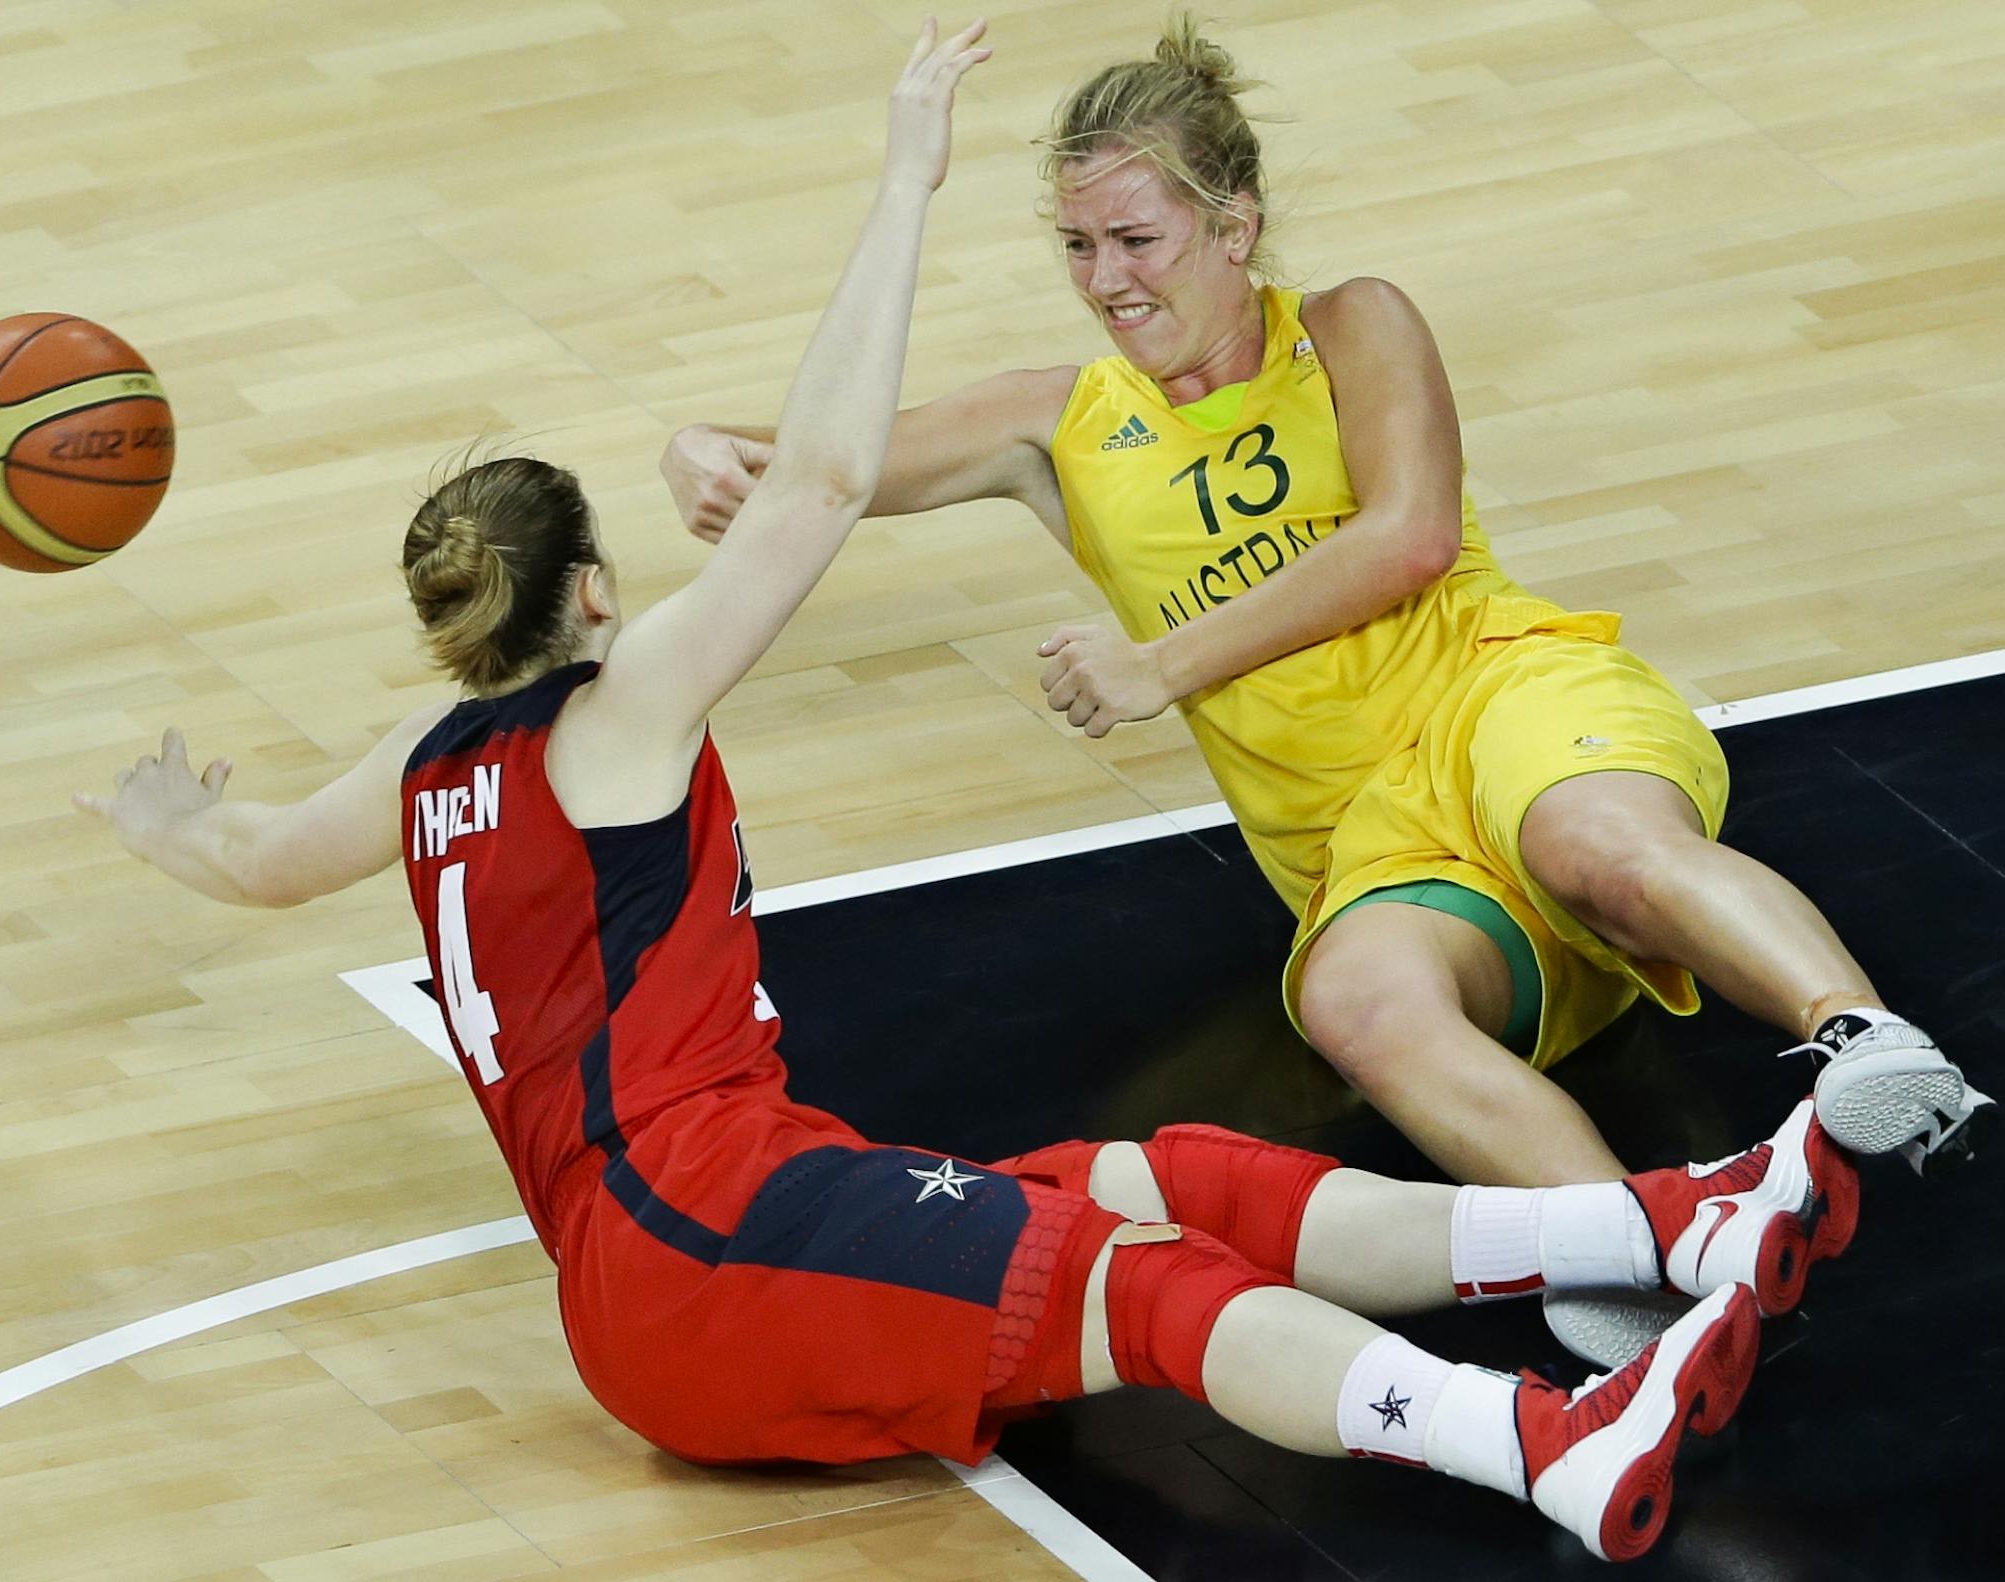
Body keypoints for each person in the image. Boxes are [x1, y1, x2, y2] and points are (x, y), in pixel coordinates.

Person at [76, 21, 1856, 1566]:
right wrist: (905, 177)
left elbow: (252, 858)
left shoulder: (423, 764)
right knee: (1147, 1293)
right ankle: (1546, 1440)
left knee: (1163, 1182)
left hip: (702, 1231)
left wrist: (163, 819)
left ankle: (1652, 1221)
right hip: (707, 1244)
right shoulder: (619, 716)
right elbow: (832, 475)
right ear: (596, 603)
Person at [658, 14, 1990, 1361]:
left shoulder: (1355, 324)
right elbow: (820, 465)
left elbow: (1407, 535)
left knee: (1595, 843)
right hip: (1370, 846)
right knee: (1353, 1005)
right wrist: (712, 446)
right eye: (1076, 244)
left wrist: (1155, 667)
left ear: (1234, 228)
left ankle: (1866, 1039)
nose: (1104, 279)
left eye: (1137, 239)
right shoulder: (1053, 423)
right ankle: (1636, 1250)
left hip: (1505, 702)